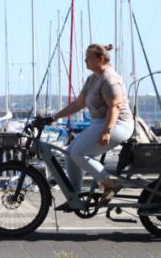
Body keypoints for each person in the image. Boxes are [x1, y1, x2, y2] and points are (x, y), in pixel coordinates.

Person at [50, 44, 135, 208]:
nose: (85, 60)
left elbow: (115, 106)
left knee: (78, 153)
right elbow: (78, 104)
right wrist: (53, 117)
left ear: (100, 59)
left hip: (118, 124)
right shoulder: (92, 79)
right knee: (69, 153)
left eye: (88, 57)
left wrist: (107, 130)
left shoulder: (109, 78)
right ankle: (75, 197)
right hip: (100, 122)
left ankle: (110, 184)